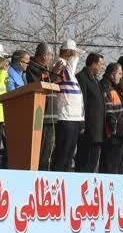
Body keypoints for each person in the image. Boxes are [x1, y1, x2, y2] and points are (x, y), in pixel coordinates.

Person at [51, 39, 84, 172]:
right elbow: (66, 76)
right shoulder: (60, 64)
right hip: (65, 115)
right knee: (63, 152)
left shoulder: (69, 67)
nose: (76, 57)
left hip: (74, 117)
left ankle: (65, 176)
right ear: (68, 52)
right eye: (73, 53)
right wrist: (73, 58)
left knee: (70, 153)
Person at [25, 42, 57, 169]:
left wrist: (53, 75)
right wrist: (52, 76)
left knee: (47, 151)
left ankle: (44, 174)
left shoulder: (45, 70)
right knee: (38, 150)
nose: (50, 58)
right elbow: (38, 86)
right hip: (39, 115)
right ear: (43, 55)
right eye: (50, 55)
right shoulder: (32, 68)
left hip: (50, 116)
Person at [100, 63, 123, 174]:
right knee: (111, 168)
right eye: (119, 73)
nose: (121, 76)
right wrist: (113, 129)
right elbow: (109, 111)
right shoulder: (105, 87)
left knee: (120, 168)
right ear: (113, 74)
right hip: (114, 136)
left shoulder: (118, 87)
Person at [75, 52, 106, 173]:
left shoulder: (95, 80)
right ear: (93, 64)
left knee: (93, 163)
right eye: (100, 64)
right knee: (84, 162)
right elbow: (82, 102)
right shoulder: (82, 77)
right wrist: (82, 125)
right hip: (88, 130)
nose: (101, 67)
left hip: (98, 130)